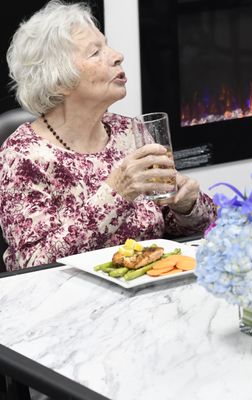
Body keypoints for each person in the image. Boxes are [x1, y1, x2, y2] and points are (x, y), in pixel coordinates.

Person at [0, 1, 217, 271]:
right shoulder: (22, 157)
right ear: (58, 80)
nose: (117, 55)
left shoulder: (131, 132)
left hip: (147, 288)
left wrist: (186, 206)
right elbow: (32, 264)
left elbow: (179, 228)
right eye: (95, 53)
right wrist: (116, 192)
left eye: (108, 45)